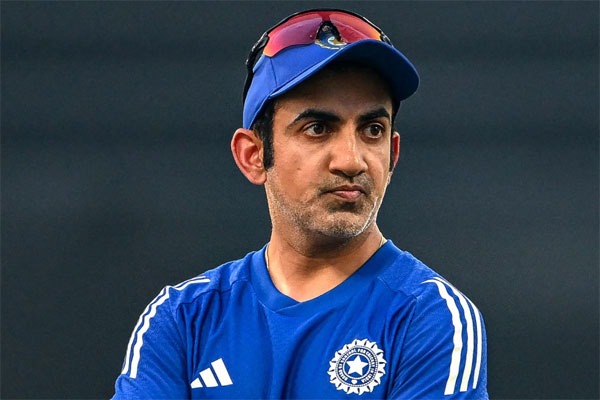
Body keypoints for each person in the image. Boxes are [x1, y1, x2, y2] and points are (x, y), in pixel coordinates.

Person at [113, 8, 488, 399]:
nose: (351, 160)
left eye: (372, 130)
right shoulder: (184, 318)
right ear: (253, 155)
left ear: (393, 155)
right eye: (318, 128)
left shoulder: (431, 317)